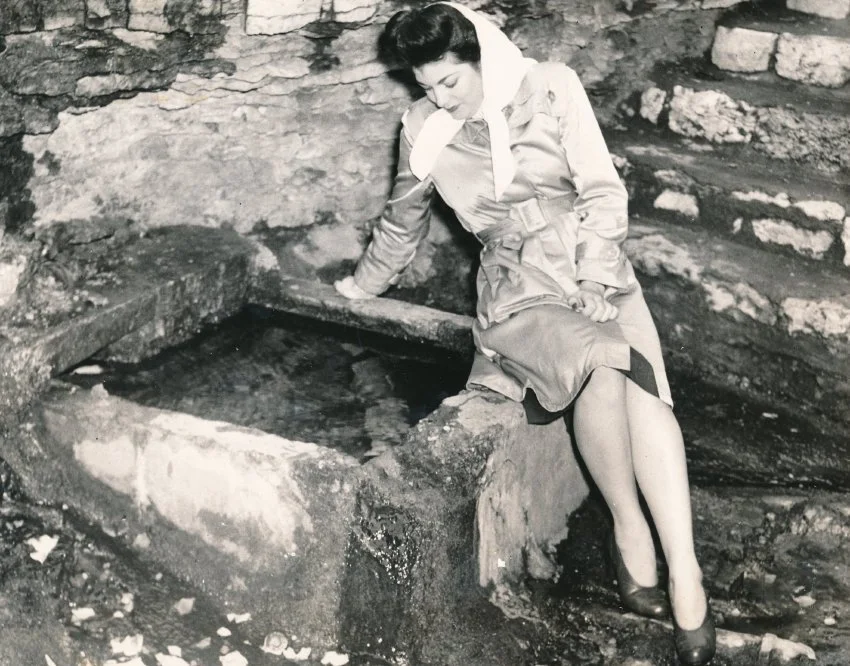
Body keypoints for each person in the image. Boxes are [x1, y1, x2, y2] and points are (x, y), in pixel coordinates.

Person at [334, 3, 715, 664]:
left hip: (594, 268)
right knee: (602, 359)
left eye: (450, 82)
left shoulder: (552, 86)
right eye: (426, 86)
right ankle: (630, 528)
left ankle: (685, 573)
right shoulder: (424, 129)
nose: (438, 97)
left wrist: (596, 278)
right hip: (519, 291)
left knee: (640, 385)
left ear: (483, 58)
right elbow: (402, 222)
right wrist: (362, 286)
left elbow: (600, 188)